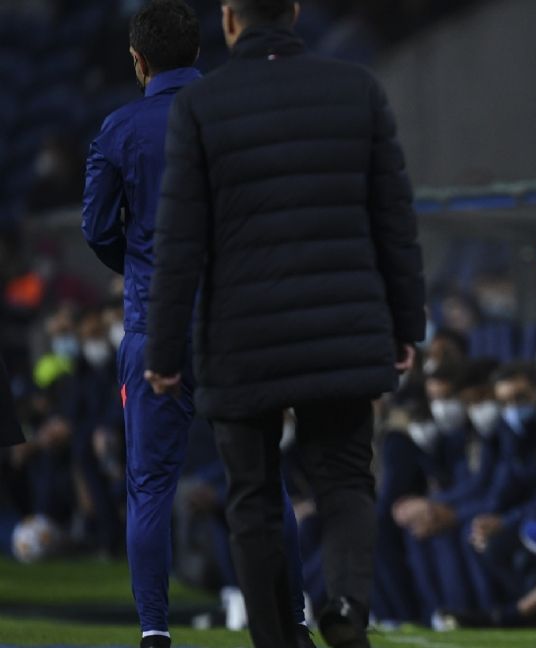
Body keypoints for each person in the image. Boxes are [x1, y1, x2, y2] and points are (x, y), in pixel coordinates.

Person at [142, 0, 425, 646]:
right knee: (346, 479)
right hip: (343, 327)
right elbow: (394, 219)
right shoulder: (356, 89)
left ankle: (274, 638)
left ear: (228, 19)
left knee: (252, 497)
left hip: (241, 339)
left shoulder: (200, 106)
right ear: (294, 13)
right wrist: (405, 323)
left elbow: (179, 241)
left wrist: (163, 349)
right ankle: (346, 605)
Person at [82, 3, 315, 646]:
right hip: (233, 327)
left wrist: (140, 266)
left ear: (138, 60)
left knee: (150, 485)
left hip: (152, 326)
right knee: (263, 480)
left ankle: (155, 634)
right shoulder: (240, 114)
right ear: (200, 50)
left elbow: (97, 229)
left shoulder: (118, 129)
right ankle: (293, 624)